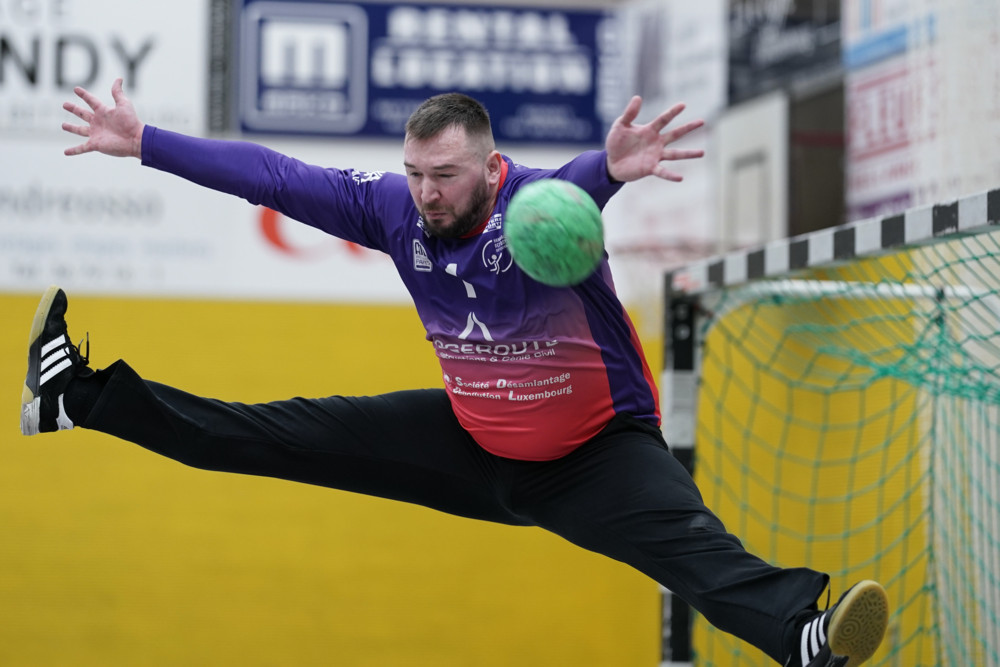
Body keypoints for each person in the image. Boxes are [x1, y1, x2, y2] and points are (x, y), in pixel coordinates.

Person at [22, 78, 889, 666]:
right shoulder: (396, 211)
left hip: (595, 454)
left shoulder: (543, 213)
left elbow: (576, 182)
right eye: (416, 174)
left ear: (490, 165)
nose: (428, 192)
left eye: (445, 175)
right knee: (264, 434)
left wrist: (610, 175)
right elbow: (276, 176)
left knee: (698, 550)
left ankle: (807, 636)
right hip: (468, 442)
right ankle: (77, 398)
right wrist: (146, 143)